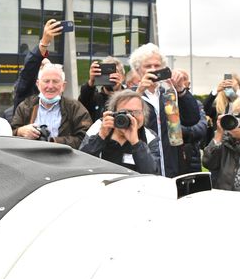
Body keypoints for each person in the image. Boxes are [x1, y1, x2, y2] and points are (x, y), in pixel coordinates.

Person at [130, 43, 200, 178]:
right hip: (142, 165)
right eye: (147, 66)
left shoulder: (168, 94)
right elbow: (124, 122)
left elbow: (192, 119)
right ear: (138, 70)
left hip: (172, 164)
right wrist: (139, 92)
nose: (153, 70)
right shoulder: (129, 95)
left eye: (157, 66)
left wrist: (180, 89)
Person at [12, 63, 92, 149]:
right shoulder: (25, 107)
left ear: (63, 86)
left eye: (55, 81)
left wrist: (54, 142)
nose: (50, 86)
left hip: (64, 160)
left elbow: (86, 139)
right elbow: (8, 135)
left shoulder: (75, 108)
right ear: (38, 84)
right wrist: (20, 132)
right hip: (31, 160)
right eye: (46, 81)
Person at [79, 90, 160, 174]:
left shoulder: (149, 136)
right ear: (113, 113)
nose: (131, 117)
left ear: (144, 114)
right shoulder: (99, 127)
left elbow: (152, 173)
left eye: (137, 112)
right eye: (126, 112)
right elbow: (82, 164)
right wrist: (101, 137)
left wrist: (136, 143)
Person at [12, 19, 64, 112]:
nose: (50, 86)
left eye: (55, 81)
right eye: (42, 66)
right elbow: (29, 71)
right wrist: (44, 43)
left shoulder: (69, 108)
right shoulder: (25, 93)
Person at [173, 69, 208, 174]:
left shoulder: (195, 103)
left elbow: (201, 129)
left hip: (192, 158)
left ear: (188, 83)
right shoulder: (165, 102)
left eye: (183, 79)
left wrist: (176, 131)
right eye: (176, 78)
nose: (179, 81)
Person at [78, 56, 126, 122]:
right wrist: (91, 82)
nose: (110, 76)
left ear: (123, 77)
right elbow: (82, 104)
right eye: (105, 73)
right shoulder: (94, 98)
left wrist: (118, 91)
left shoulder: (128, 98)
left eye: (114, 72)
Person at [202, 73, 240, 146]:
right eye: (227, 86)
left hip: (238, 143)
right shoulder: (218, 106)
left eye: (232, 85)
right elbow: (204, 109)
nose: (230, 88)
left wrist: (237, 92)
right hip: (219, 143)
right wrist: (215, 91)